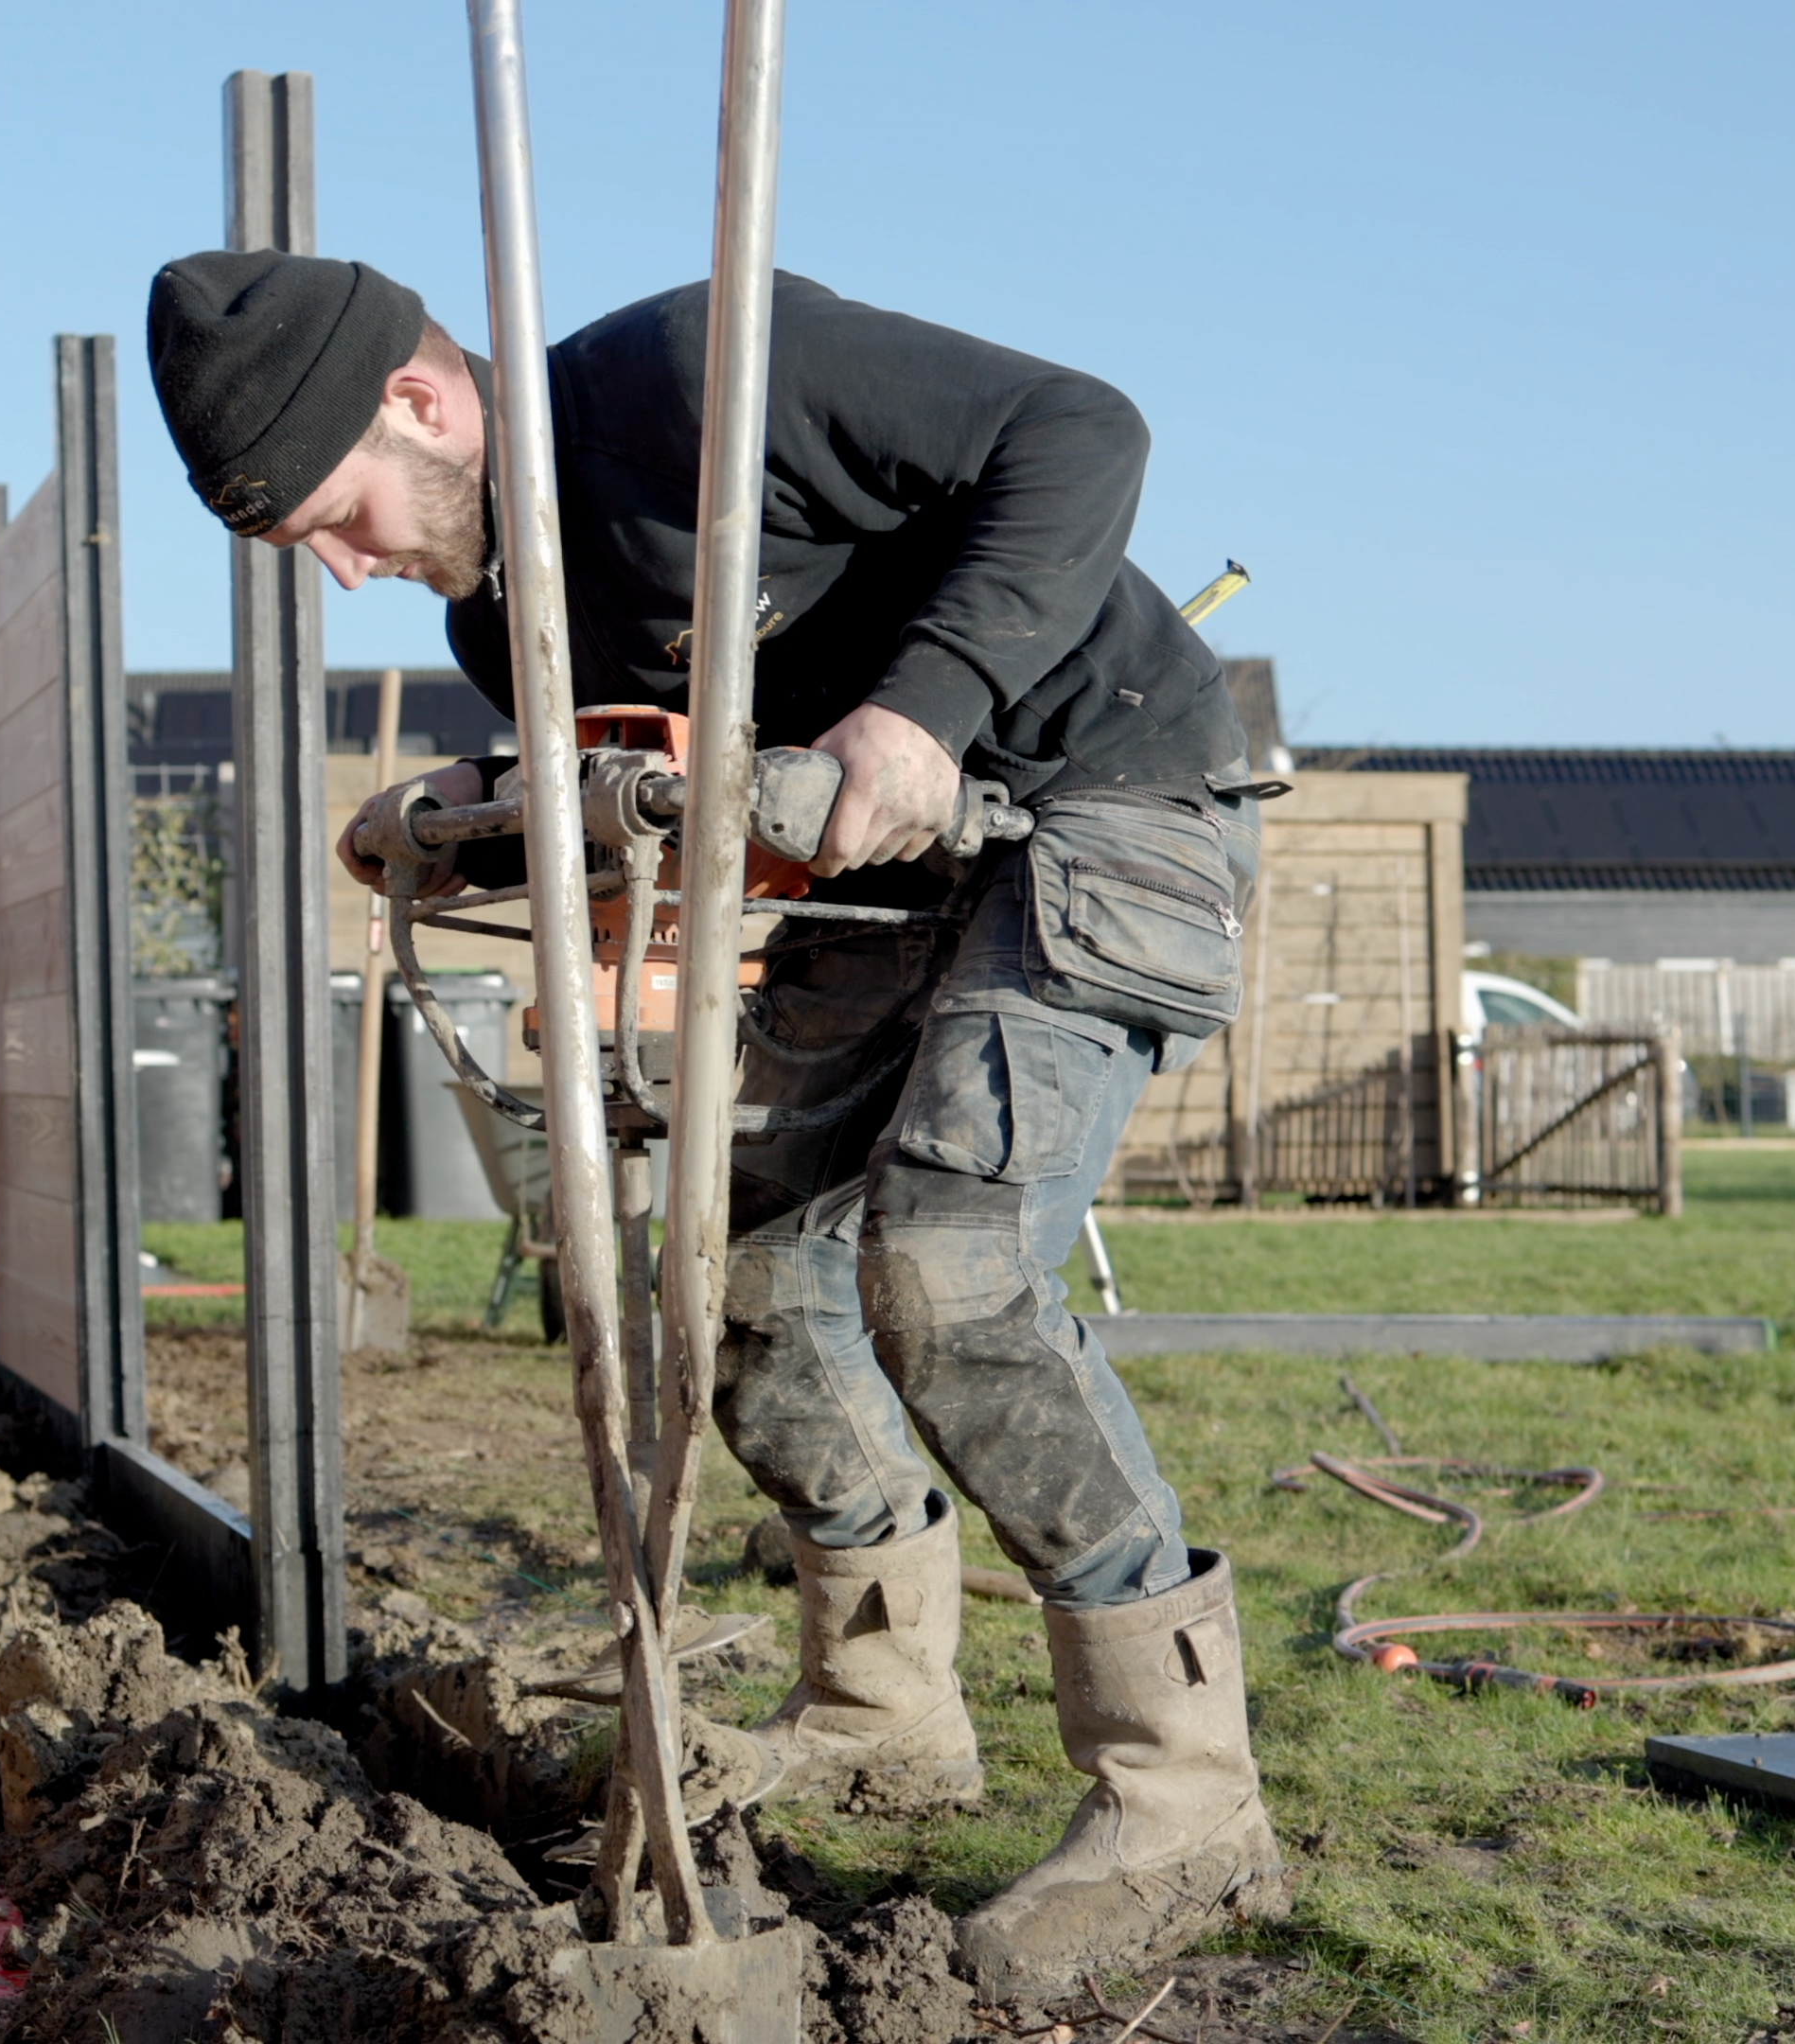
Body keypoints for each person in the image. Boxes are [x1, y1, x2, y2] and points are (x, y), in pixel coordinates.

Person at [145, 250, 1289, 1995]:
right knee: (743, 1281)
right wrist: (465, 817)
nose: (346, 571)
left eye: (339, 520)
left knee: (947, 1274)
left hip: (1100, 798)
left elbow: (1080, 427)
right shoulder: (497, 618)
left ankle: (1186, 1794)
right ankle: (885, 1709)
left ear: (424, 402)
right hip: (873, 881)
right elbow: (653, 785)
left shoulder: (692, 380)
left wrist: (919, 713)